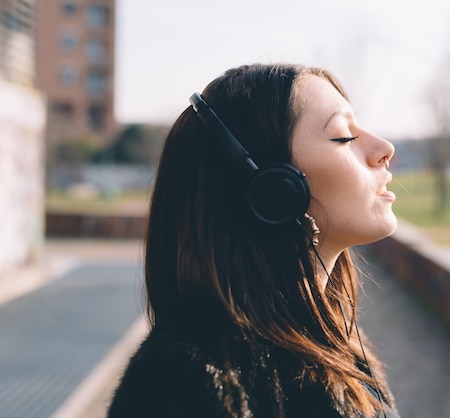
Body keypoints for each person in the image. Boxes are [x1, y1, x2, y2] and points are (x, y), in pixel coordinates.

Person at [107, 63, 399, 417]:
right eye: (343, 135)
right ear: (274, 189)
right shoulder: (179, 383)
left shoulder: (340, 342)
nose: (384, 148)